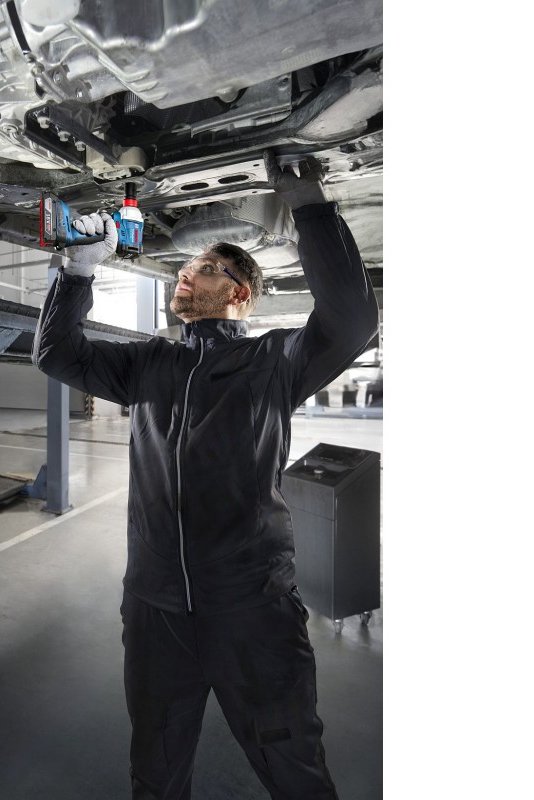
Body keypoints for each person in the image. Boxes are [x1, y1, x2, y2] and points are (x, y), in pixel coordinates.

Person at [32, 159, 379, 800]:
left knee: (294, 769)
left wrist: (309, 203)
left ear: (241, 295)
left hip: (253, 610)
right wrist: (77, 272)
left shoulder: (274, 359)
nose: (186, 275)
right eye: (186, 268)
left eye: (208, 269)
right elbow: (55, 353)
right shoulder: (149, 363)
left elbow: (353, 323)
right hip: (155, 607)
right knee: (155, 771)